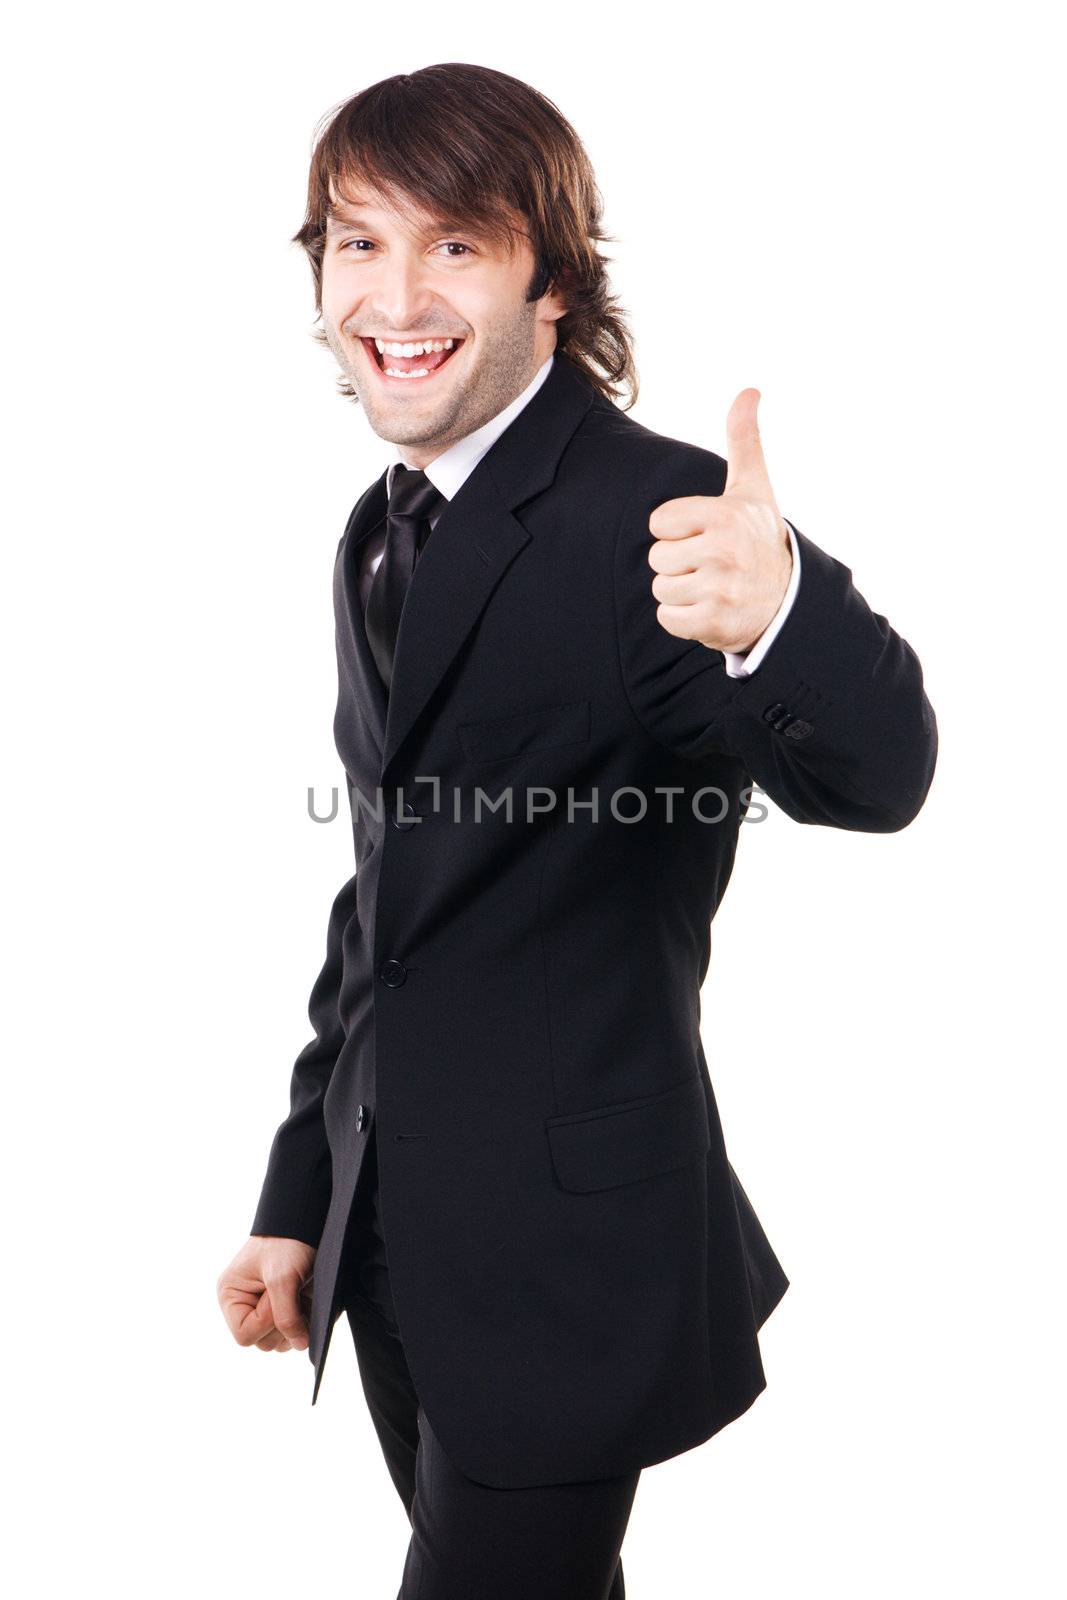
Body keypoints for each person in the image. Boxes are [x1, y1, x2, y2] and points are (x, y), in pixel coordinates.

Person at [217, 62, 938, 1600]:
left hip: (563, 1263)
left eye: (455, 245)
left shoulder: (664, 525)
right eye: (357, 243)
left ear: (553, 279)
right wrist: (298, 1199)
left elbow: (885, 774)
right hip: (396, 1246)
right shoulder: (384, 523)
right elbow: (385, 914)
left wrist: (784, 621)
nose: (394, 293)